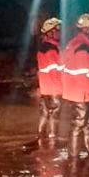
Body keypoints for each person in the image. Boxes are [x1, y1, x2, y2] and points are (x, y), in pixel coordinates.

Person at [61, 13, 89, 161]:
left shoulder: (72, 44)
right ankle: (73, 159)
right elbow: (88, 75)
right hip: (83, 93)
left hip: (73, 92)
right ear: (87, 29)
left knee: (86, 124)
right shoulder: (85, 48)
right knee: (79, 124)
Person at [36, 17, 63, 146]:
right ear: (51, 32)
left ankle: (40, 138)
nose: (60, 33)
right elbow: (55, 71)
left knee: (44, 114)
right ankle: (53, 142)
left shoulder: (42, 47)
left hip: (45, 88)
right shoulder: (52, 49)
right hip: (54, 89)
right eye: (58, 30)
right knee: (54, 116)